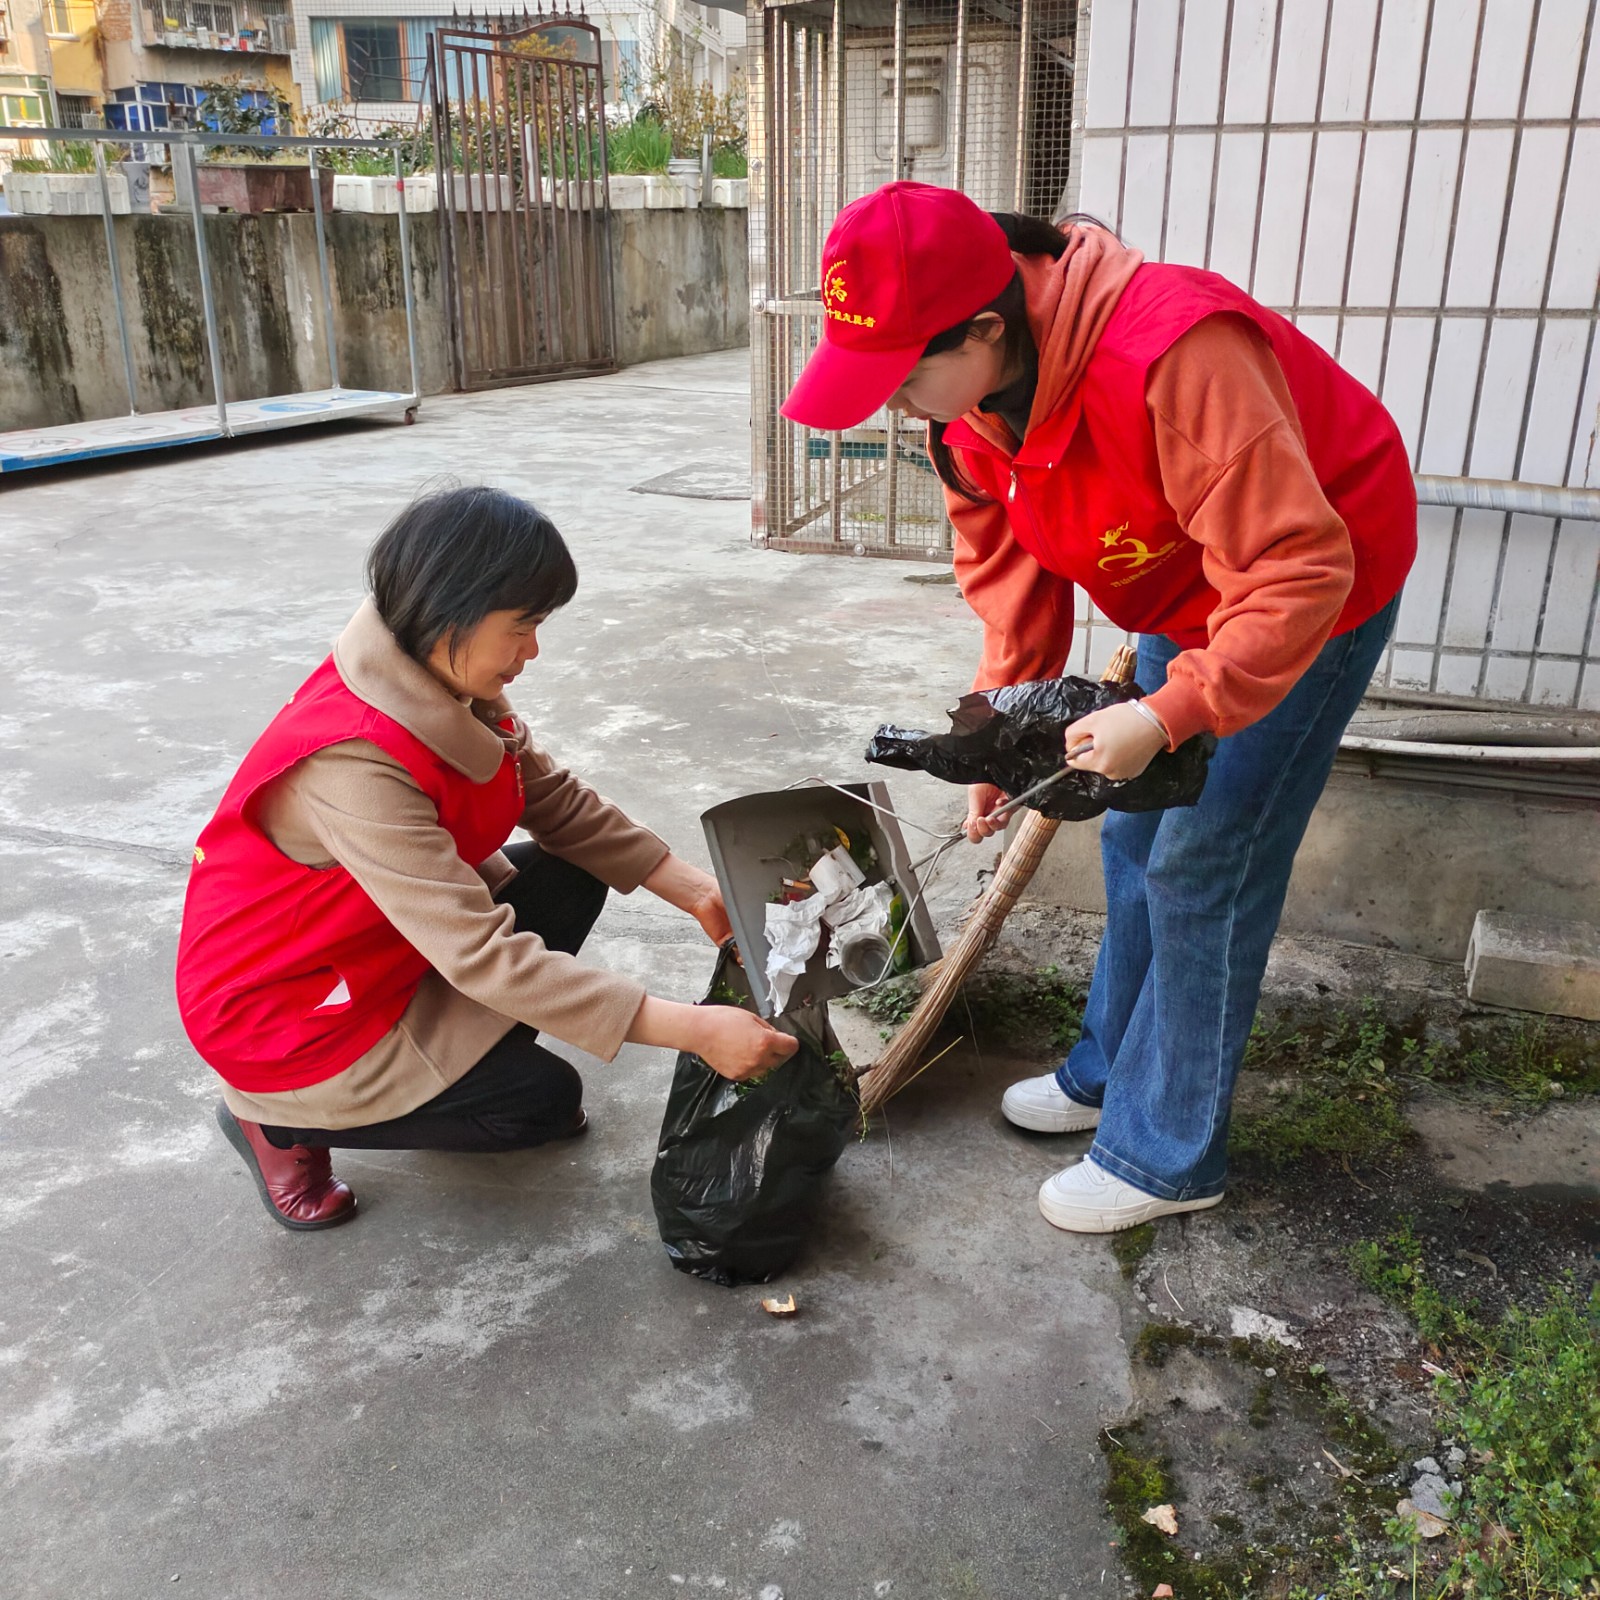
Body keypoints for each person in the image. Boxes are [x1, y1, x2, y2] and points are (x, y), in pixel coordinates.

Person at [782, 182, 1416, 1234]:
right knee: (1132, 839)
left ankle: (1167, 1154)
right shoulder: (970, 410)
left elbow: (1296, 567)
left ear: (986, 326)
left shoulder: (1171, 357)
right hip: (1184, 578)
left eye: (902, 377)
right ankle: (1107, 1072)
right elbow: (1012, 584)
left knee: (1203, 861)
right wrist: (994, 735)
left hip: (1312, 574)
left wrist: (1174, 711)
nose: (895, 405)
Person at [176, 485, 796, 1231]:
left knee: (572, 872)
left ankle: (470, 1062)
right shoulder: (353, 758)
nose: (532, 651)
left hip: (384, 947)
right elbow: (481, 956)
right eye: (523, 627)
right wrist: (694, 1029)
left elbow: (555, 800)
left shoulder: (438, 671)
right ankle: (279, 1125)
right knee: (539, 1105)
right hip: (298, 1013)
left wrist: (697, 890)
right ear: (453, 611)